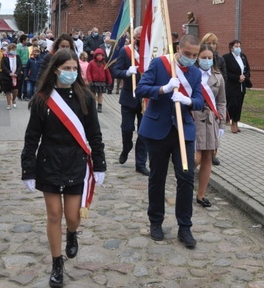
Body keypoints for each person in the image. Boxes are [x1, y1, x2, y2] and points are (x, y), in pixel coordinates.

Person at [20, 48, 106, 287]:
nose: (70, 72)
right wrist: (27, 169)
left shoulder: (85, 97)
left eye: (74, 69)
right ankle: (57, 264)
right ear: (55, 70)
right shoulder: (41, 99)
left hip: (75, 163)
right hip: (48, 163)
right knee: (54, 215)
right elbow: (31, 137)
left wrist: (99, 164)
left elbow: (95, 136)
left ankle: (71, 233)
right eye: (66, 68)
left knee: (72, 216)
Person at [135, 34, 204, 249]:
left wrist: (188, 100)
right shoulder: (160, 64)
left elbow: (200, 100)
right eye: (187, 54)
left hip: (183, 132)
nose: (190, 59)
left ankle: (185, 227)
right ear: (178, 50)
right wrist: (163, 88)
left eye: (194, 55)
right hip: (158, 130)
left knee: (186, 178)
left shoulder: (194, 72)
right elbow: (140, 89)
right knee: (158, 177)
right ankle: (156, 221)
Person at [111, 27, 149, 176]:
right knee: (127, 129)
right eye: (137, 38)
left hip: (145, 99)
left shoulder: (150, 53)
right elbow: (115, 71)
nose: (140, 41)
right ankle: (126, 147)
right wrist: (128, 72)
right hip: (129, 97)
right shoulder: (126, 52)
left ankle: (141, 163)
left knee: (144, 132)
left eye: (142, 38)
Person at [193, 44, 226, 208]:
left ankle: (201, 195)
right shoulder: (192, 74)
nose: (206, 60)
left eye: (209, 57)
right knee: (195, 158)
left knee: (207, 158)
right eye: (203, 57)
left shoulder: (218, 77)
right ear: (198, 58)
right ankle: (183, 182)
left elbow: (221, 102)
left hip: (211, 121)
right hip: (194, 118)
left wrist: (222, 125)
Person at [200, 32, 226, 165]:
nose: (212, 45)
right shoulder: (196, 67)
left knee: (208, 157)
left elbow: (222, 97)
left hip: (213, 104)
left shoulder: (220, 60)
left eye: (214, 43)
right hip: (198, 111)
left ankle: (214, 152)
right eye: (208, 43)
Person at [222, 39, 251, 133]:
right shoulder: (226, 58)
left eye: (239, 46)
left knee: (239, 105)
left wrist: (244, 77)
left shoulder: (243, 57)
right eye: (236, 46)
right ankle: (231, 123)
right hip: (232, 86)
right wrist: (237, 77)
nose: (238, 48)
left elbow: (247, 70)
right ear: (231, 48)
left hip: (241, 86)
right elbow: (226, 72)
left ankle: (236, 122)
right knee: (233, 105)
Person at [86, 47, 112, 113]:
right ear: (95, 56)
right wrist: (90, 80)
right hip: (94, 82)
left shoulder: (104, 63)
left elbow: (107, 72)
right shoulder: (91, 63)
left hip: (102, 82)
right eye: (98, 55)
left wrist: (109, 81)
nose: (100, 57)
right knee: (93, 94)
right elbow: (88, 72)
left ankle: (100, 106)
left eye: (101, 55)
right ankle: (93, 106)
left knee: (100, 95)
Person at [0, 43, 23, 110]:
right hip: (7, 76)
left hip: (16, 76)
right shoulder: (5, 56)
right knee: (7, 91)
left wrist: (17, 73)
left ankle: (14, 99)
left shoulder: (17, 56)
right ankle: (9, 103)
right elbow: (3, 66)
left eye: (14, 49)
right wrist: (9, 73)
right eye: (12, 49)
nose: (13, 50)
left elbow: (20, 65)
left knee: (15, 90)